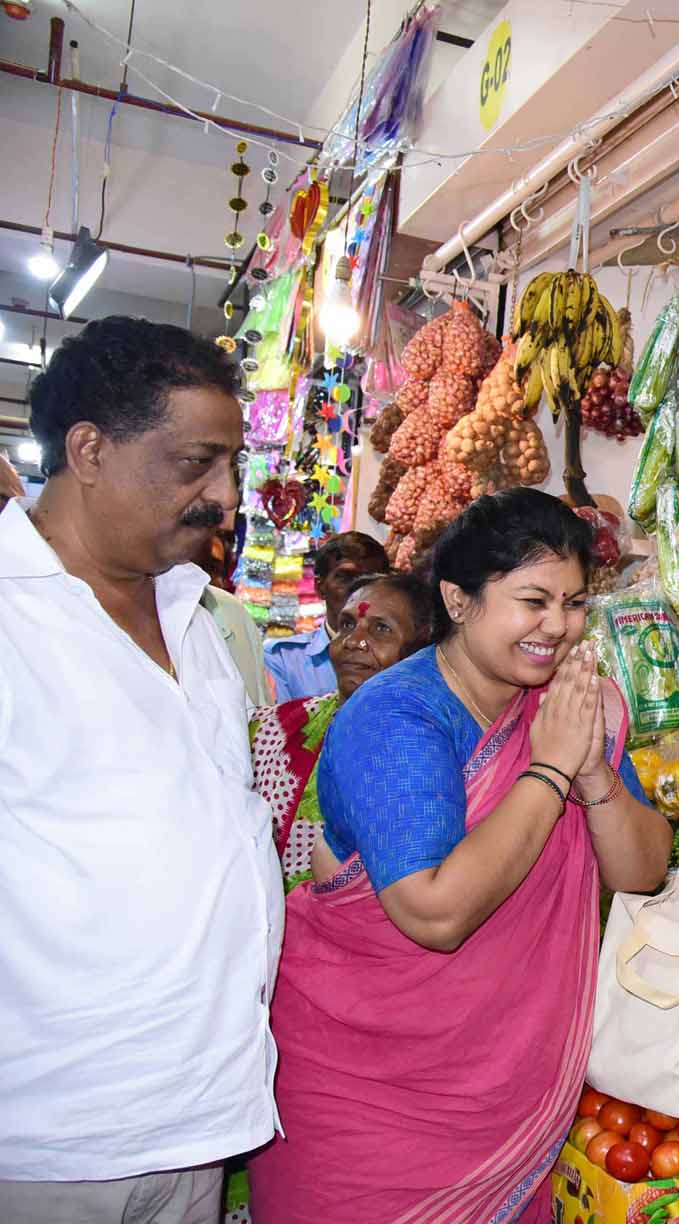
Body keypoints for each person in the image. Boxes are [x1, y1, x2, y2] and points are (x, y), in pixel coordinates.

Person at [250, 488, 673, 1224]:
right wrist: (547, 771)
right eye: (533, 601)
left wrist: (593, 771)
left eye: (574, 604)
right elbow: (435, 912)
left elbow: (641, 872)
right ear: (459, 599)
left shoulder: (567, 707)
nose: (558, 627)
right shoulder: (395, 716)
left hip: (505, 1098)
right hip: (363, 1097)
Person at [0, 316, 282, 1222]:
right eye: (195, 463)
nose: (225, 497)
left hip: (195, 1118)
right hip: (52, 1138)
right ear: (88, 450)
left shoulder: (193, 614)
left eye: (232, 466)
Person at [247, 569, 435, 890]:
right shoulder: (276, 729)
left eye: (380, 630)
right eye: (347, 625)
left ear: (422, 647)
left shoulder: (432, 746)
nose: (352, 642)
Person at [262, 529, 389, 700]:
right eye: (345, 578)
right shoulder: (283, 658)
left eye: (369, 580)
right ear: (320, 587)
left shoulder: (401, 655)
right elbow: (282, 723)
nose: (358, 591)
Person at [200, 522, 275, 707]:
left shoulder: (234, 612)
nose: (201, 578)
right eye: (197, 567)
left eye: (213, 570)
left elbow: (259, 709)